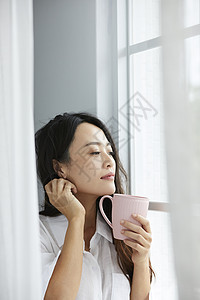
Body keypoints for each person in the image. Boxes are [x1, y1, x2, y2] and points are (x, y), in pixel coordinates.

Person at [35, 112, 154, 300]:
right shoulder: (37, 232)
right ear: (59, 168)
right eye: (95, 153)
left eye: (110, 152)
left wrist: (141, 261)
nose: (110, 162)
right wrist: (76, 218)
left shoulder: (121, 231)